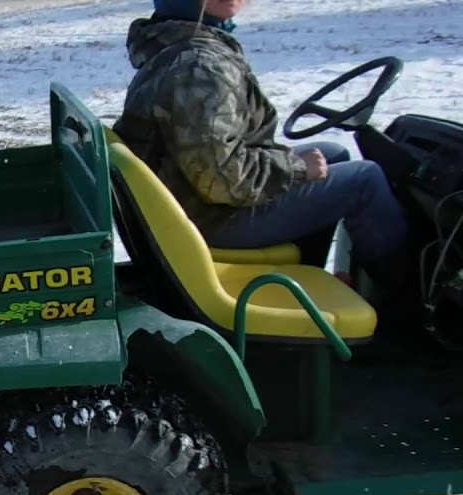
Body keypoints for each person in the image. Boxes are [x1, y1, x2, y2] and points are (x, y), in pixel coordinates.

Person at [112, 0, 415, 302]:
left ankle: (308, 280)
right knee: (365, 181)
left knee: (333, 154)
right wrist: (296, 168)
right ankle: (407, 304)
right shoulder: (201, 66)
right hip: (211, 219)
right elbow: (220, 178)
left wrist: (292, 165)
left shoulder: (179, 44)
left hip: (187, 202)